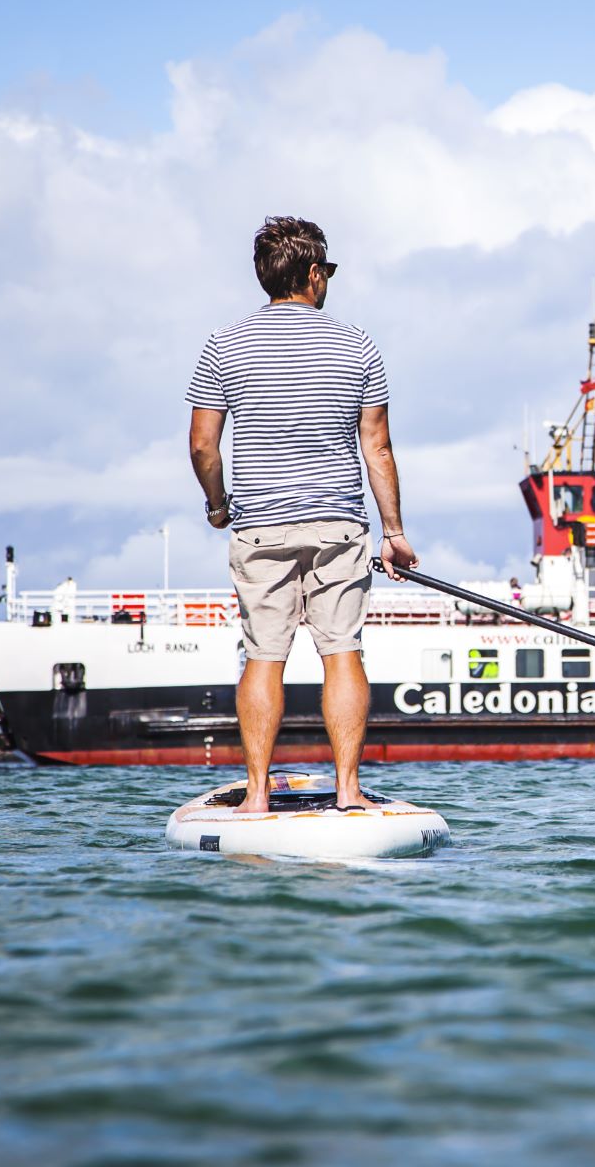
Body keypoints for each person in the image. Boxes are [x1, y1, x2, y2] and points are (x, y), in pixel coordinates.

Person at [186, 216, 417, 814]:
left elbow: (203, 446)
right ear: (314, 274)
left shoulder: (223, 344)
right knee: (342, 650)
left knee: (264, 655)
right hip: (339, 524)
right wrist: (393, 534)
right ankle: (348, 792)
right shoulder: (357, 343)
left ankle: (257, 797)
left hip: (258, 523)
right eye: (328, 272)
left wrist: (218, 505)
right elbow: (378, 447)